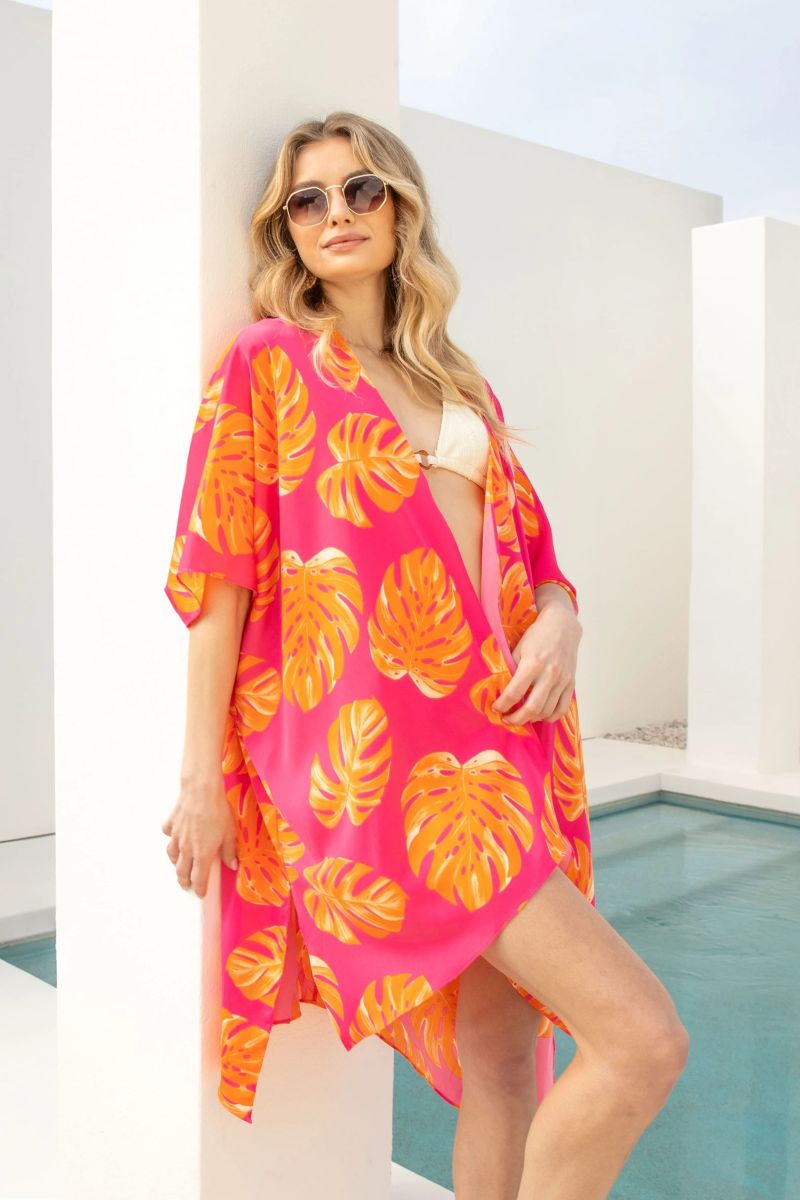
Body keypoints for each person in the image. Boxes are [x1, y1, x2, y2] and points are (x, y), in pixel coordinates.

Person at [161, 111, 688, 1199]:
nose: (337, 214)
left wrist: (562, 619)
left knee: (502, 1061)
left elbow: (536, 558)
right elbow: (219, 577)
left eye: (362, 190)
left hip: (500, 743)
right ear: (285, 228)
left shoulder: (459, 385)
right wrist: (200, 779)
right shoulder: (269, 364)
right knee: (643, 1040)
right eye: (308, 200)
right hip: (398, 767)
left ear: (401, 209)